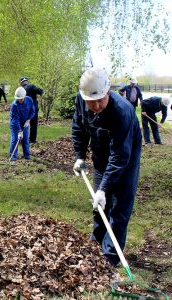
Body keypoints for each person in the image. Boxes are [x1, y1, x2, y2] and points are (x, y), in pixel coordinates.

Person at [72, 67, 142, 266]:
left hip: (125, 160)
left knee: (119, 206)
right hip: (101, 157)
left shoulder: (123, 112)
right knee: (99, 205)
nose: (94, 106)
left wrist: (104, 188)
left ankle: (110, 257)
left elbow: (120, 156)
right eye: (90, 101)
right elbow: (78, 126)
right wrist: (79, 156)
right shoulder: (81, 99)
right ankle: (96, 247)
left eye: (99, 100)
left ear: (108, 91)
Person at [9, 87, 35, 161]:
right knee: (15, 139)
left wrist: (28, 120)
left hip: (25, 123)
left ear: (24, 97)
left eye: (21, 99)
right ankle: (13, 157)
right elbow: (15, 119)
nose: (19, 100)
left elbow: (32, 112)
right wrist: (20, 130)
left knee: (25, 139)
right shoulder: (14, 105)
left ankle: (27, 156)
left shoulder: (29, 100)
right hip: (15, 124)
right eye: (18, 99)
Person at [20, 77, 44, 144]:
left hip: (23, 110)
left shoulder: (20, 89)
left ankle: (22, 140)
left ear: (21, 82)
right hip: (33, 109)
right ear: (27, 81)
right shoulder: (32, 86)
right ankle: (32, 140)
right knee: (33, 125)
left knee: (23, 124)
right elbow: (41, 91)